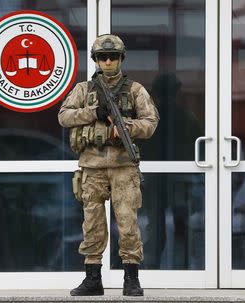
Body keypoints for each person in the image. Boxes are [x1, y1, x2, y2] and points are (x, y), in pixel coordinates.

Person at [58, 34, 159, 296]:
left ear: (121, 58)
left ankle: (131, 278)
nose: (108, 61)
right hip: (91, 166)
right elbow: (64, 116)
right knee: (92, 223)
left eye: (113, 57)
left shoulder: (135, 90)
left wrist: (126, 127)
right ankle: (93, 278)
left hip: (124, 166)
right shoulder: (84, 90)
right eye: (103, 57)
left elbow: (150, 122)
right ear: (96, 60)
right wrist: (92, 113)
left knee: (127, 222)